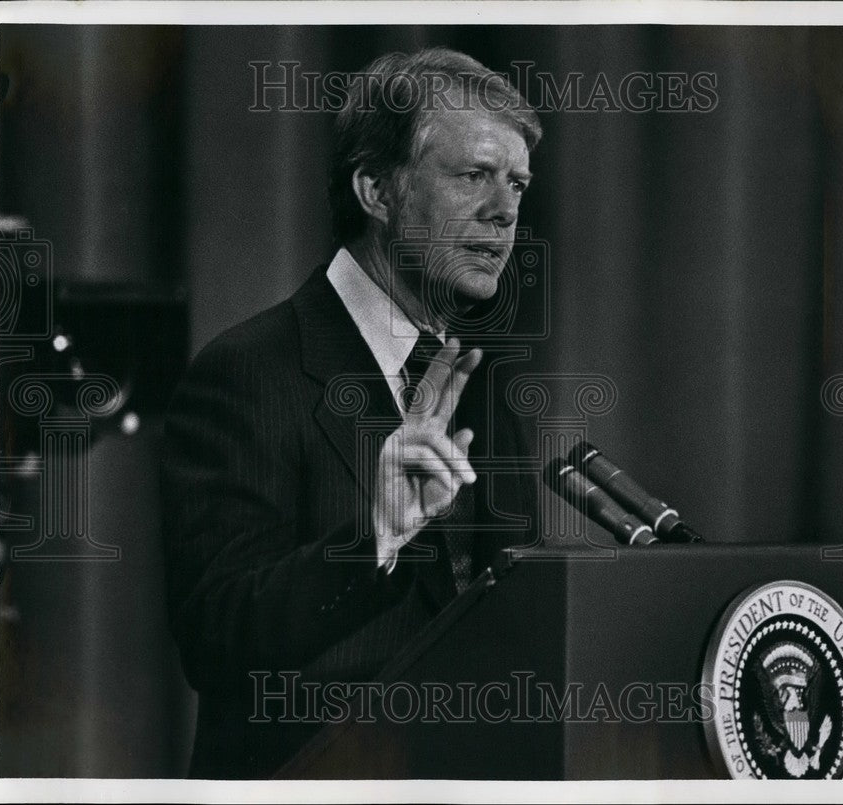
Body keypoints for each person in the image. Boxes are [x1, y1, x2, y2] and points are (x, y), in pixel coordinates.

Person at [161, 47, 542, 779]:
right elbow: (216, 635)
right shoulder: (248, 370)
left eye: (518, 184)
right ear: (376, 188)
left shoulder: (477, 386)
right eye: (474, 176)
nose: (505, 211)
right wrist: (374, 537)